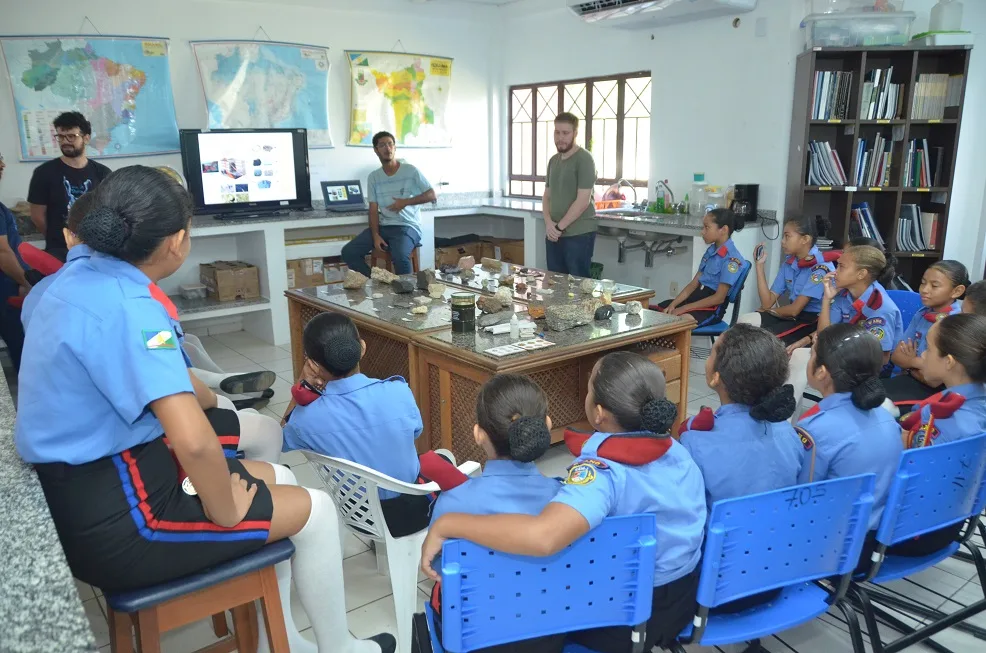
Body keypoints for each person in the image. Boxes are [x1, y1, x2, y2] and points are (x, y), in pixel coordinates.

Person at [14, 166, 395, 653]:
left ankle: (274, 635)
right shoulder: (130, 306)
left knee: (283, 479)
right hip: (128, 519)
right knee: (315, 509)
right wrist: (226, 506)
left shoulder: (73, 277)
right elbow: (193, 440)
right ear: (177, 241)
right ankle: (337, 646)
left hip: (101, 488)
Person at [421, 351, 706, 653]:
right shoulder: (678, 451)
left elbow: (545, 537)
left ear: (598, 413)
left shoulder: (600, 476)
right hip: (684, 600)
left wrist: (448, 524)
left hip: (624, 615)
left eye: (588, 387)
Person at [21, 189, 277, 412]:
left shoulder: (46, 291)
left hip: (71, 409)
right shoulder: (133, 297)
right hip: (135, 408)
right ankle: (225, 388)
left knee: (185, 343)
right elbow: (162, 371)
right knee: (179, 352)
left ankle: (223, 384)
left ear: (69, 236)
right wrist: (211, 402)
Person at [282, 312, 455, 537]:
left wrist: (301, 386)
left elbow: (281, 439)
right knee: (442, 457)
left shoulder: (306, 418)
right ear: (362, 348)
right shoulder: (397, 390)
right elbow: (415, 432)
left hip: (359, 515)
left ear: (312, 364)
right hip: (415, 510)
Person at [426, 374, 562, 653]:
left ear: (479, 434)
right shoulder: (568, 503)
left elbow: (442, 573)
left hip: (474, 639)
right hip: (550, 635)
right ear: (547, 427)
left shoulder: (450, 506)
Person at [797, 324, 903, 572]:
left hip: (833, 551)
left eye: (812, 353)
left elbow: (801, 498)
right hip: (877, 541)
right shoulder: (887, 416)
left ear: (822, 372)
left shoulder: (815, 430)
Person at [678, 324, 804, 511]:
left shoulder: (695, 444)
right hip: (780, 536)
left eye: (711, 353)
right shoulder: (790, 434)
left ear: (716, 378)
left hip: (721, 540)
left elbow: (687, 515)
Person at [893, 313, 986, 557]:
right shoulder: (972, 403)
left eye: (929, 348)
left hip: (909, 532)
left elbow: (909, 473)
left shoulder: (950, 421)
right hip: (951, 522)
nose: (921, 354)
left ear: (949, 362)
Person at [786, 245, 903, 415]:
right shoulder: (844, 295)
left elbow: (882, 359)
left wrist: (836, 353)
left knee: (808, 360)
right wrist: (826, 298)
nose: (834, 271)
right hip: (843, 354)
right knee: (799, 355)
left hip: (868, 370)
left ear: (861, 274)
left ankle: (810, 416)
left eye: (841, 267)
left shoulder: (880, 307)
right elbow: (826, 334)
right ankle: (790, 417)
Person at [341, 131, 435, 276]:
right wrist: (375, 234)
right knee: (349, 252)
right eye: (382, 145)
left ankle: (406, 295)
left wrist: (405, 202)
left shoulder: (410, 171)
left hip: (408, 227)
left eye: (390, 144)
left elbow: (431, 195)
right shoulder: (374, 177)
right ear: (376, 150)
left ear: (395, 148)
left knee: (400, 257)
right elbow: (373, 209)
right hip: (385, 227)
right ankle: (376, 282)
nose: (387, 148)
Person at [27, 112, 111, 260]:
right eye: (60, 136)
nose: (65, 141)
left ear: (86, 138)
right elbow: (37, 215)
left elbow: (110, 211)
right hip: (59, 251)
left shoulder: (102, 173)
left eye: (71, 136)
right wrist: (57, 237)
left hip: (97, 249)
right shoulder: (44, 173)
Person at [883, 260, 969, 405]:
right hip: (906, 379)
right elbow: (897, 356)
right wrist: (918, 365)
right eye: (923, 283)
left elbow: (933, 381)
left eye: (934, 285)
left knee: (877, 406)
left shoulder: (955, 323)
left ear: (957, 291)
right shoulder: (922, 313)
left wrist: (910, 362)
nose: (924, 289)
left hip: (933, 393)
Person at [739, 215, 834, 345]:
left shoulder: (820, 268)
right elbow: (767, 302)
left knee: (761, 338)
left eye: (787, 236)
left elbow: (795, 309)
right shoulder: (789, 263)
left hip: (810, 321)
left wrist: (768, 311)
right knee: (744, 322)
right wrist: (759, 266)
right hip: (790, 315)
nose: (782, 241)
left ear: (805, 239)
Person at [656, 208, 747, 326]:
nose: (702, 232)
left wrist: (683, 308)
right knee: (657, 312)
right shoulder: (711, 251)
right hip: (696, 299)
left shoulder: (732, 260)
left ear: (723, 230)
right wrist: (673, 304)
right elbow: (693, 285)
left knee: (676, 323)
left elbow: (718, 298)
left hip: (711, 308)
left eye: (707, 227)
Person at [542, 112, 598, 278]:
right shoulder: (553, 161)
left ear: (575, 133)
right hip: (554, 234)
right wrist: (549, 223)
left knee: (579, 288)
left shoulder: (585, 159)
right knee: (555, 285)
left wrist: (559, 227)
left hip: (578, 235)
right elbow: (546, 196)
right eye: (557, 132)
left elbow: (583, 200)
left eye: (565, 133)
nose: (561, 138)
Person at [0, 150, 32, 371]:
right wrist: (26, 281)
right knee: (22, 349)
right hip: (6, 290)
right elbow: (2, 253)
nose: (2, 165)